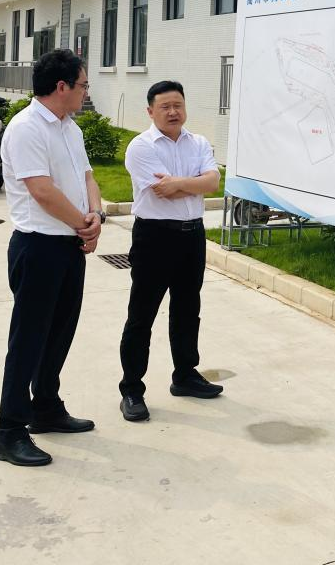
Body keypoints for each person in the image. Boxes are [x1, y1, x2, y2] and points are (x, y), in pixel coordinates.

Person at [0, 49, 104, 467]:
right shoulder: (26, 128)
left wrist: (95, 215)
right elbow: (41, 190)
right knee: (28, 341)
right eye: (83, 85)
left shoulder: (69, 127)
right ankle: (9, 432)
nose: (85, 92)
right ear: (62, 86)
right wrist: (82, 224)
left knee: (59, 333)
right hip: (38, 246)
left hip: (69, 245)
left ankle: (46, 407)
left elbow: (88, 176)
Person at [118, 80, 223, 421]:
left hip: (192, 236)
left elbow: (213, 182)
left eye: (178, 105)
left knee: (188, 308)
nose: (173, 112)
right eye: (165, 106)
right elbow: (162, 191)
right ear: (150, 111)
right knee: (142, 315)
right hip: (154, 237)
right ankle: (132, 389)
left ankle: (185, 375)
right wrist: (193, 184)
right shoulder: (140, 147)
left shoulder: (199, 142)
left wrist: (179, 183)